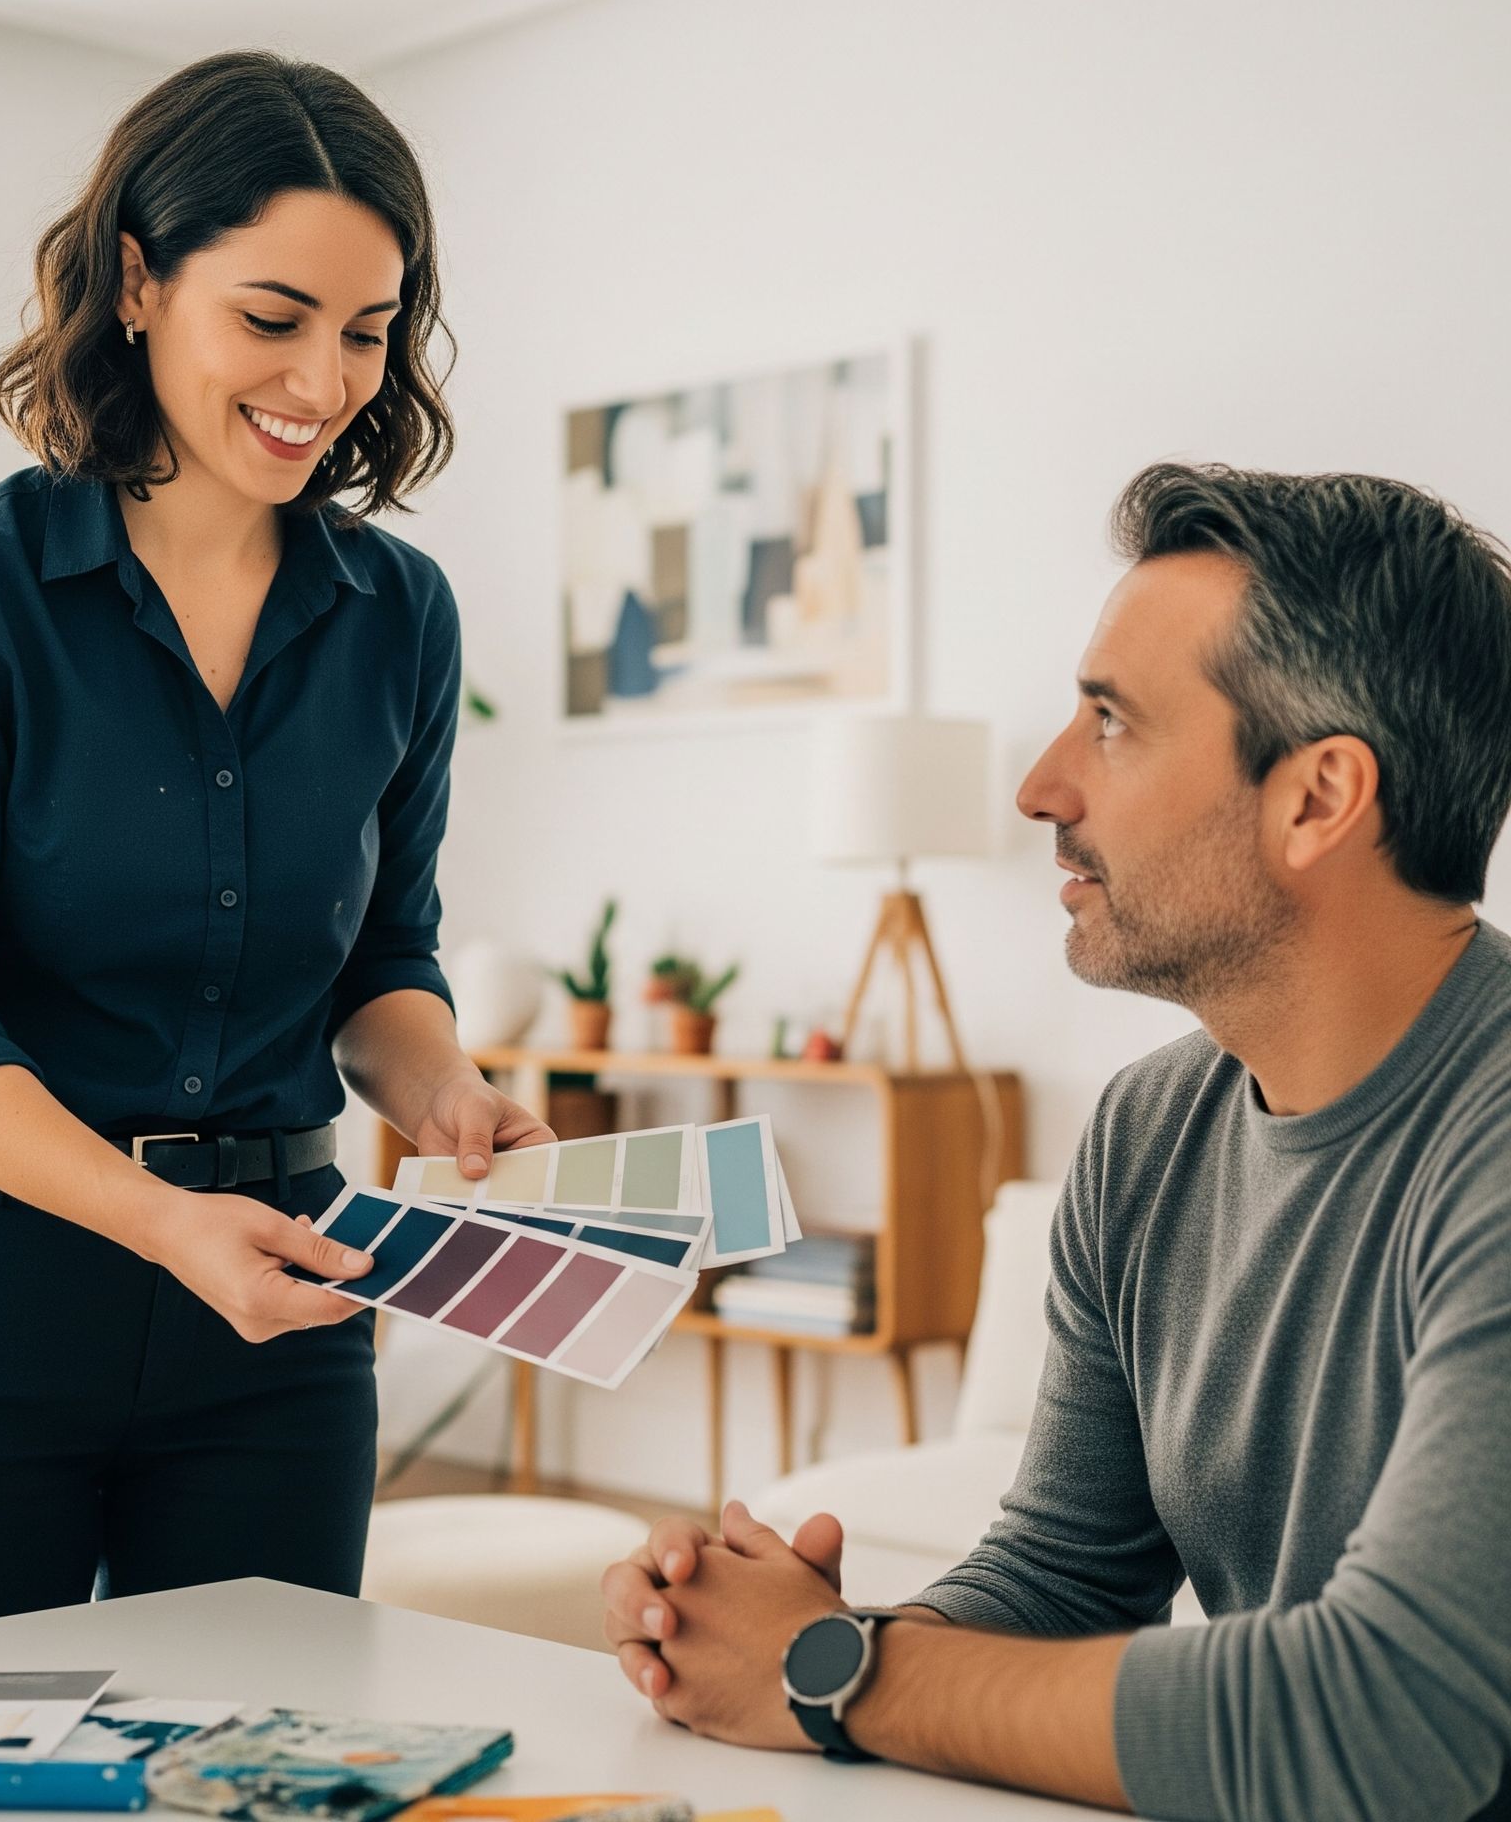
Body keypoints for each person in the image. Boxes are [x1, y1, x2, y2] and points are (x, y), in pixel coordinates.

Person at [601, 461, 1511, 1819]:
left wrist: (834, 1674)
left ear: (1318, 800)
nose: (1038, 787)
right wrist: (783, 1639)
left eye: (1111, 723)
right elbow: (1069, 1573)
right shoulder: (1149, 1136)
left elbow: (1389, 1723)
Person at [0, 50, 550, 1644]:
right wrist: (161, 1224)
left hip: (280, 1317)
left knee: (260, 1765)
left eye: (367, 329)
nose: (325, 379)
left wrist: (445, 1093)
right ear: (137, 280)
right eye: (272, 318)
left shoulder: (397, 616)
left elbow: (382, 959)